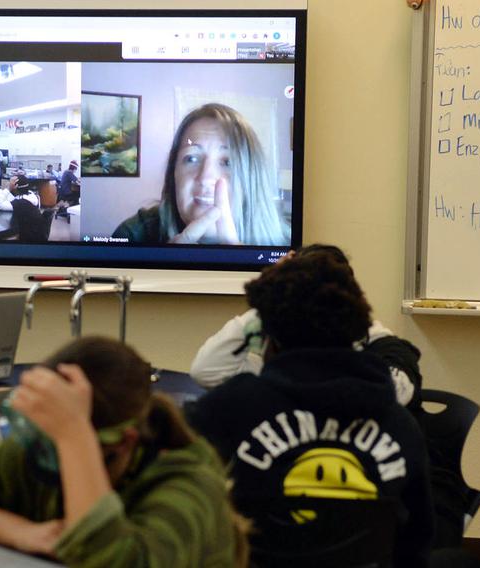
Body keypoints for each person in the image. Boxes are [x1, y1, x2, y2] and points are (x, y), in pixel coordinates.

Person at [185, 250, 434, 566]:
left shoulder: (226, 411)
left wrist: (275, 297)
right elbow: (416, 543)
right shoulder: (399, 426)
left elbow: (189, 522)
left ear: (267, 336)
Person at [0, 337, 245, 567]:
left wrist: (75, 438)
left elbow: (103, 558)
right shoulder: (42, 450)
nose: (52, 463)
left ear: (125, 443)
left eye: (67, 446)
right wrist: (24, 533)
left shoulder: (191, 486)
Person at [190, 244, 422, 409]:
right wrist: (272, 300)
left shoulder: (380, 344)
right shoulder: (276, 347)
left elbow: (399, 393)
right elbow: (206, 371)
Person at [112, 103, 288, 246]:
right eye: (191, 158)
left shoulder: (289, 250)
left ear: (252, 179)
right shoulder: (133, 235)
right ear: (173, 174)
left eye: (228, 162)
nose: (205, 178)